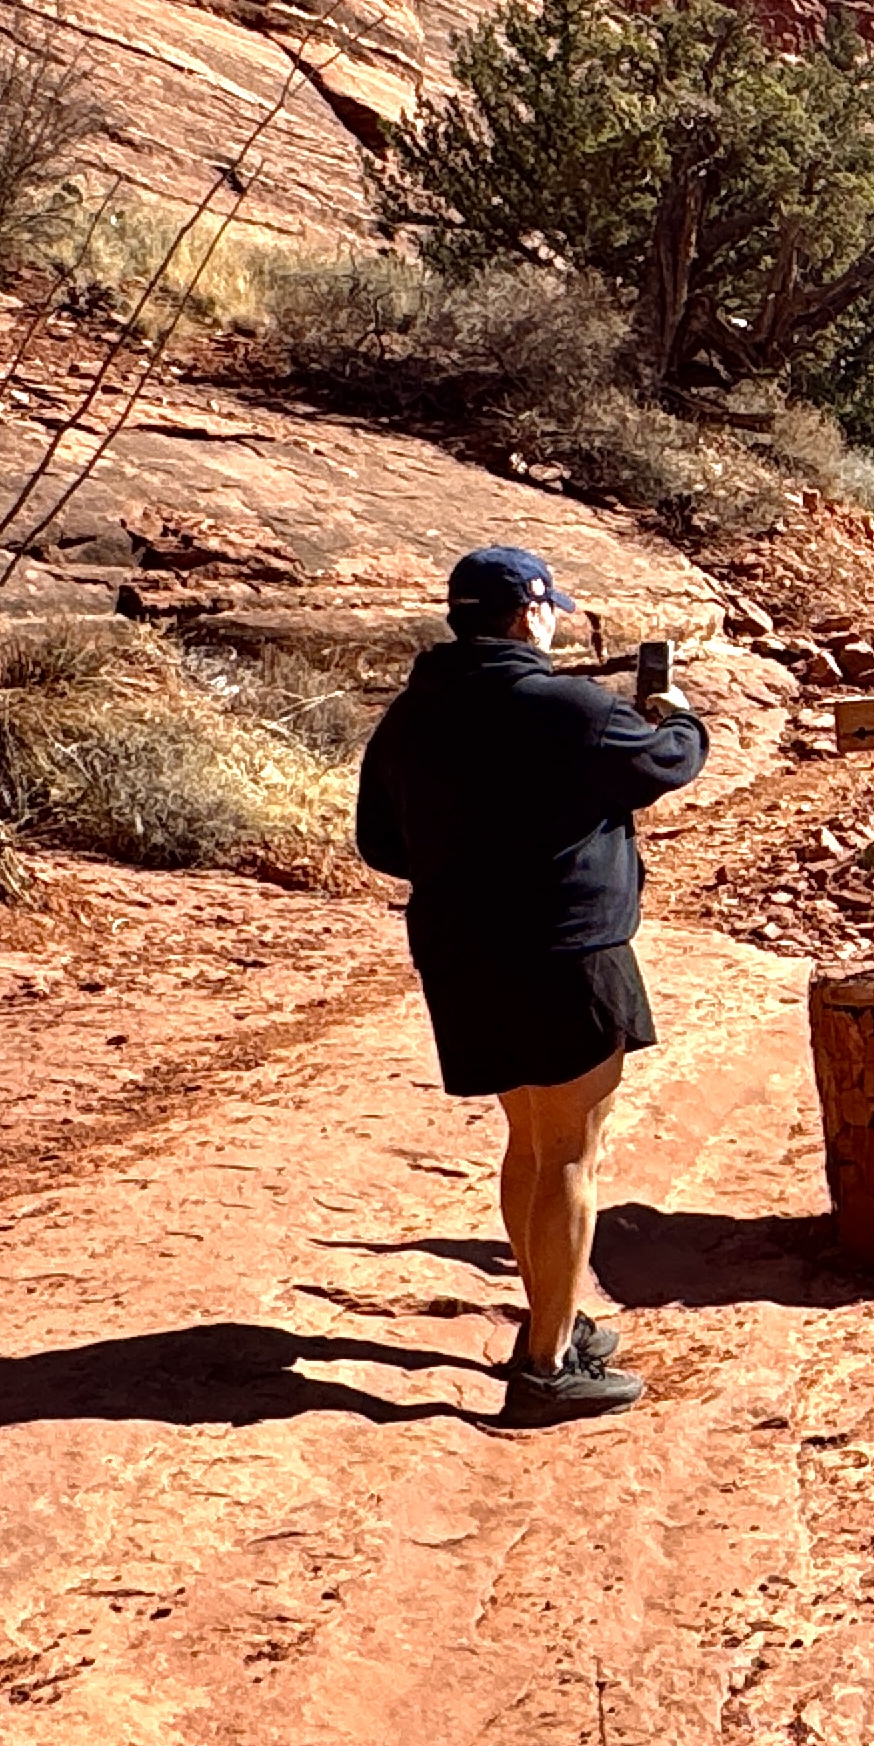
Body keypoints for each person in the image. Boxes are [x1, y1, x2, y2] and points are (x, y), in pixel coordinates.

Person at [355, 546, 706, 1425]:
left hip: (463, 956)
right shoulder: (568, 707)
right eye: (550, 608)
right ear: (528, 612)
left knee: (530, 1139)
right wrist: (679, 712)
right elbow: (668, 760)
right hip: (566, 953)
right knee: (572, 1152)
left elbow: (379, 843)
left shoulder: (410, 717)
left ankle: (553, 1319)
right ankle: (548, 1366)